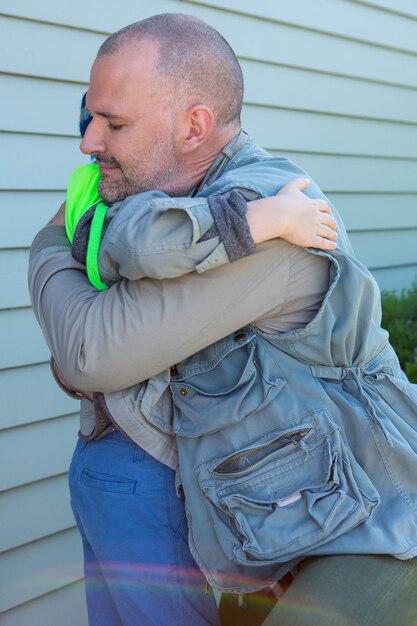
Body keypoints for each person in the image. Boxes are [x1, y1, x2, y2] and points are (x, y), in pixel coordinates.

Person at [28, 13, 417, 626]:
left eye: (114, 123)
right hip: (261, 523)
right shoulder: (150, 201)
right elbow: (88, 352)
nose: (88, 142)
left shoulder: (273, 214)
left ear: (194, 127)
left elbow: (87, 351)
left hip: (359, 529)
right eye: (89, 114)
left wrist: (49, 246)